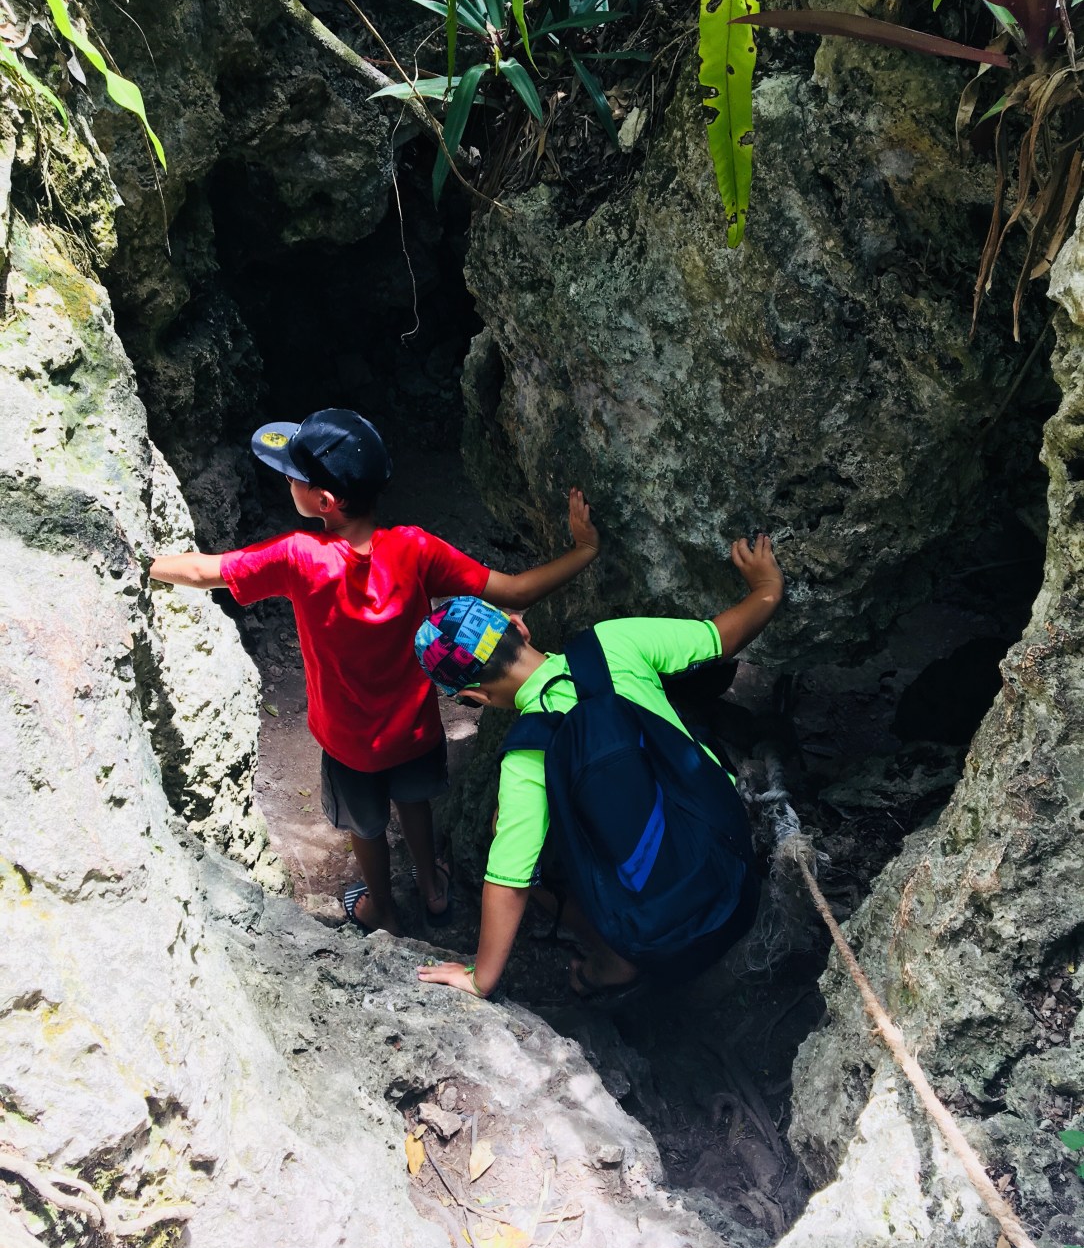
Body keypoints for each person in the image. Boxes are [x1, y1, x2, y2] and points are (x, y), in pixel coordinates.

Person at [149, 408, 600, 936]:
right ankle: (433, 890)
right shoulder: (414, 547)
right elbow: (517, 591)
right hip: (415, 730)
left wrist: (139, 555)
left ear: (323, 502)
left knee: (364, 826)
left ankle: (380, 906)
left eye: (294, 474)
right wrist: (585, 549)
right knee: (415, 801)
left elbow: (207, 571)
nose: (287, 479)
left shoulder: (299, 556)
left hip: (348, 743)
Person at [412, 534, 784, 998]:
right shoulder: (615, 641)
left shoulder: (528, 754)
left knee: (509, 838)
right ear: (519, 628)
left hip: (664, 942)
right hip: (736, 871)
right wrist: (767, 586)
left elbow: (508, 879)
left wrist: (479, 977)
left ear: (475, 697)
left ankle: (615, 959)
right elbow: (720, 638)